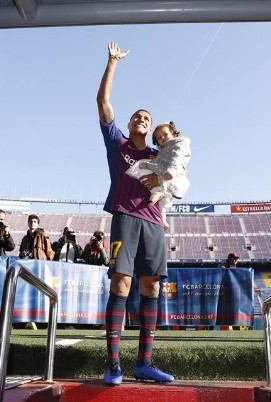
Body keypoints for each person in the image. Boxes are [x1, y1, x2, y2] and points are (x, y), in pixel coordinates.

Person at [97, 42, 174, 385]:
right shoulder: (118, 144)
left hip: (154, 222)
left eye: (147, 118)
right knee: (121, 283)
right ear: (129, 124)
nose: (142, 120)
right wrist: (112, 63)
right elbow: (103, 103)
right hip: (125, 218)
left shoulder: (158, 155)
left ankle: (144, 363)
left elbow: (179, 171)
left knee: (152, 288)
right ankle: (113, 364)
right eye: (137, 117)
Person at [126, 121, 191, 230]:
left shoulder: (178, 144)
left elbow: (177, 158)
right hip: (164, 173)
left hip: (172, 173)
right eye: (159, 138)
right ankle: (163, 220)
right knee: (165, 202)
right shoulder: (164, 149)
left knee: (141, 165)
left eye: (165, 134)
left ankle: (157, 192)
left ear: (173, 133)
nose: (163, 138)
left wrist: (171, 171)